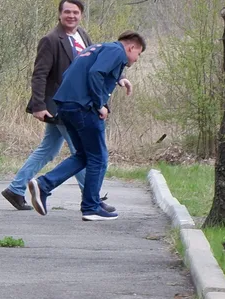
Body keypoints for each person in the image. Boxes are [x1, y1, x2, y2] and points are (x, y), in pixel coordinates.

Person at [0, 0, 115, 213]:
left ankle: (15, 188)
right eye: (67, 12)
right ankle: (92, 198)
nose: (71, 16)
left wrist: (118, 78)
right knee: (83, 151)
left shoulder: (83, 36)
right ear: (59, 15)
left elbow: (94, 66)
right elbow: (40, 74)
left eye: (76, 13)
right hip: (60, 106)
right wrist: (38, 105)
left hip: (75, 104)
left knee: (48, 150)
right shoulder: (51, 40)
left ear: (81, 15)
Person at [26, 32, 145, 221]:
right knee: (99, 158)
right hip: (83, 108)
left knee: (84, 155)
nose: (136, 60)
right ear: (131, 47)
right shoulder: (117, 51)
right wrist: (99, 103)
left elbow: (69, 73)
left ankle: (44, 185)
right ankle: (91, 207)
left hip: (65, 106)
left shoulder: (95, 48)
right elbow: (96, 73)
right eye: (138, 54)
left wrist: (116, 79)